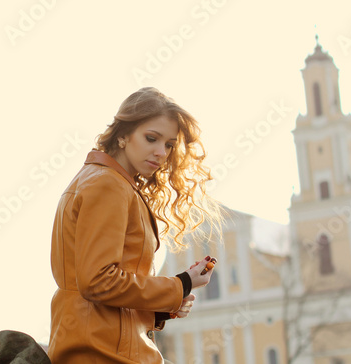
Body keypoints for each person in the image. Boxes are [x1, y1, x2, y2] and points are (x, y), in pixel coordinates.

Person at [48, 87, 222, 364]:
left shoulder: (98, 180)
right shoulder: (108, 185)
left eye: (168, 144)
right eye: (151, 138)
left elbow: (101, 290)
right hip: (103, 353)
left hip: (94, 345)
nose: (160, 153)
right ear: (122, 135)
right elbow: (97, 281)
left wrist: (165, 305)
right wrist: (181, 284)